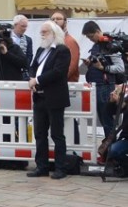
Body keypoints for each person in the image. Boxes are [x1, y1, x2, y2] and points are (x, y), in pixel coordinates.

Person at [26, 20, 72, 179]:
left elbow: (58, 72)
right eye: (41, 32)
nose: (42, 34)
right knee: (39, 133)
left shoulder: (62, 50)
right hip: (39, 96)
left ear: (54, 33)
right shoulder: (41, 49)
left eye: (45, 32)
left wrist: (37, 81)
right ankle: (42, 166)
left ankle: (60, 168)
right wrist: (32, 77)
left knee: (57, 134)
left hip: (54, 96)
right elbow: (33, 66)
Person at [82, 20, 126, 138]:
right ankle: (109, 148)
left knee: (107, 120)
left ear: (97, 31)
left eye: (91, 36)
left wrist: (103, 67)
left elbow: (120, 67)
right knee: (104, 119)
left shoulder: (109, 44)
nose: (90, 39)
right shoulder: (98, 44)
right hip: (97, 85)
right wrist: (90, 63)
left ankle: (110, 148)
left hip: (106, 85)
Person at [49, 13, 80, 82]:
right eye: (52, 19)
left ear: (65, 22)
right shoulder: (50, 41)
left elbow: (71, 66)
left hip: (65, 84)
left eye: (58, 19)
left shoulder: (70, 41)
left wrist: (57, 81)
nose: (55, 21)